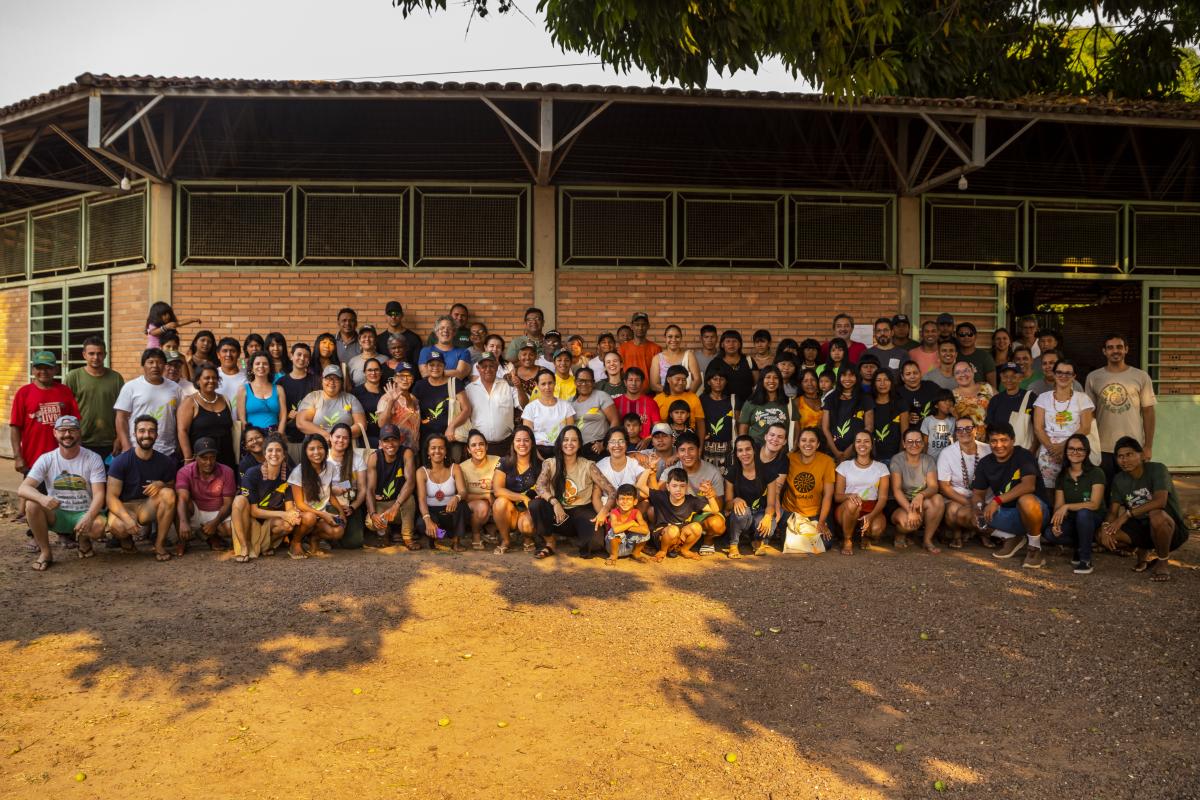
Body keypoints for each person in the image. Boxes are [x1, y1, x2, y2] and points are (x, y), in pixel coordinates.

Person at [18, 416, 106, 570]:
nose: (67, 434)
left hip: (83, 512)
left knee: (98, 526)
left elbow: (99, 494)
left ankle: (83, 540)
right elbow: (23, 489)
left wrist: (89, 516)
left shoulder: (93, 458)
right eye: (62, 430)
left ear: (79, 432)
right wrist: (42, 498)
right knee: (32, 505)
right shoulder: (47, 459)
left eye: (72, 430)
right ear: (55, 433)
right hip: (57, 514)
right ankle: (46, 553)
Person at [1100, 437, 1189, 582]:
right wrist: (1106, 527)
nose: (1124, 460)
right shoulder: (1119, 479)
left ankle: (1162, 561)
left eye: (1129, 454)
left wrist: (1127, 515)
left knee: (1156, 515)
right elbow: (1113, 511)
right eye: (1120, 456)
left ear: (1141, 455)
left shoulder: (1157, 469)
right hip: (1142, 527)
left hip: (1171, 529)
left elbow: (1160, 501)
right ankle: (1142, 549)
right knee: (1102, 536)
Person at [529, 426, 615, 559]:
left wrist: (604, 510)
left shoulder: (588, 465)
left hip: (581, 511)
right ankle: (550, 542)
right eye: (565, 440)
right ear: (560, 443)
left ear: (579, 444)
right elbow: (539, 486)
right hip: (557, 514)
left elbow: (612, 491)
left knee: (595, 545)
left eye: (574, 440)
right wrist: (554, 502)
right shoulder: (550, 463)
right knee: (536, 504)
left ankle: (579, 539)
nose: (569, 443)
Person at [975, 422, 1047, 567]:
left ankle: (1034, 547)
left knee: (1025, 500)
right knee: (967, 513)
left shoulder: (1024, 455)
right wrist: (978, 509)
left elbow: (1028, 485)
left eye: (1004, 440)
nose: (999, 445)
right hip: (1006, 514)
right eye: (994, 441)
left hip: (1035, 514)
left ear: (1013, 440)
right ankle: (1010, 538)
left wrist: (996, 501)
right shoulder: (985, 463)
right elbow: (978, 493)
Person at [105, 414, 178, 559]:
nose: (146, 435)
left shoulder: (165, 461)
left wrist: (162, 484)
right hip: (125, 506)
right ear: (134, 434)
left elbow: (172, 485)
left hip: (147, 506)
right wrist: (126, 519)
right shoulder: (121, 461)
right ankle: (126, 541)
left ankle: (159, 545)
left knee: (169, 494)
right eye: (142, 431)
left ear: (156, 435)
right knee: (119, 527)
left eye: (151, 431)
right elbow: (111, 497)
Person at [1084, 333, 1157, 478]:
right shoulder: (1093, 377)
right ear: (1104, 351)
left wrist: (1148, 446)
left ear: (1126, 349)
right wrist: (1090, 445)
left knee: (1133, 488)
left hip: (1132, 446)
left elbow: (1148, 412)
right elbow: (1089, 414)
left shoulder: (1141, 376)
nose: (1115, 351)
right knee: (1105, 487)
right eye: (1110, 348)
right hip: (1103, 447)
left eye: (1119, 347)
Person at [1039, 433, 1105, 575]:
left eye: (1080, 449)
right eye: (1071, 448)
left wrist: (1067, 506)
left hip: (1092, 519)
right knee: (1049, 533)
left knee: (1083, 513)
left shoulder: (1096, 472)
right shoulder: (1062, 476)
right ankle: (1079, 547)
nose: (1075, 452)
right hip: (1072, 519)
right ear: (1066, 451)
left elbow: (1094, 504)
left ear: (1087, 452)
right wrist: (1057, 524)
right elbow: (1059, 506)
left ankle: (1085, 559)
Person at [10, 350, 80, 476]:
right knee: (33, 489)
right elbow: (15, 427)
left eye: (48, 368)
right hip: (33, 459)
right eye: (39, 368)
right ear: (33, 370)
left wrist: (77, 452)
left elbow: (76, 424)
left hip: (63, 458)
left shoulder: (65, 391)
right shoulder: (24, 393)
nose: (43, 371)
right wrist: (17, 457)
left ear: (56, 370)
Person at [231, 434, 299, 562]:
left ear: (284, 454)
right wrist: (283, 514)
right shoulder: (252, 473)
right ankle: (244, 546)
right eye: (270, 450)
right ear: (265, 454)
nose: (274, 454)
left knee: (288, 525)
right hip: (249, 521)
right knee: (239, 500)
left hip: (270, 521)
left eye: (278, 450)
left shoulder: (288, 475)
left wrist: (293, 515)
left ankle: (264, 546)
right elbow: (253, 511)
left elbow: (289, 507)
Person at [1032, 358, 1095, 490]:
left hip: (1075, 451)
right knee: (1049, 491)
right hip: (1048, 452)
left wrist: (1063, 447)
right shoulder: (1043, 398)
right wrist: (1052, 450)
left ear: (1074, 376)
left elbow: (1085, 428)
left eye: (1068, 373)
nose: (1063, 376)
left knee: (1075, 489)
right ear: (1054, 374)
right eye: (1059, 372)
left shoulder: (1083, 398)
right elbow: (1038, 428)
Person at [659, 432, 726, 554]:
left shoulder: (712, 472)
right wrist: (651, 471)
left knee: (717, 524)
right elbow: (657, 494)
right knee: (652, 511)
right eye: (682, 450)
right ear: (677, 453)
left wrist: (711, 494)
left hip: (702, 515)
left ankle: (708, 540)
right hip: (677, 515)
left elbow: (720, 506)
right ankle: (669, 539)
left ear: (699, 450)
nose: (687, 454)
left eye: (691, 449)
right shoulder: (670, 471)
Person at [937, 415, 994, 549]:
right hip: (959, 497)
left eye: (968, 428)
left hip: (985, 496)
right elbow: (944, 487)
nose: (964, 432)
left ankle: (983, 534)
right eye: (960, 429)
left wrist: (979, 502)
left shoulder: (988, 449)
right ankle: (957, 535)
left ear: (976, 430)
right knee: (952, 511)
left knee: (985, 511)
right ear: (956, 433)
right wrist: (968, 503)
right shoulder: (947, 453)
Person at [63, 337, 123, 461]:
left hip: (110, 443)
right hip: (80, 441)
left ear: (105, 355)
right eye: (91, 353)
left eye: (99, 353)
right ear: (84, 355)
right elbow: (65, 411)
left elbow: (122, 412)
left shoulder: (116, 378)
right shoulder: (73, 377)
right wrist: (71, 436)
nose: (96, 357)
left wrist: (119, 438)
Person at [174, 436, 236, 555]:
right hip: (196, 510)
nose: (209, 462)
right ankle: (182, 541)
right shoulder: (184, 472)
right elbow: (182, 499)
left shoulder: (227, 471)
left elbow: (228, 503)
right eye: (204, 458)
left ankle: (212, 537)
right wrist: (183, 522)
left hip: (218, 511)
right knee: (178, 501)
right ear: (195, 457)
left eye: (212, 457)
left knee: (229, 531)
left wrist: (215, 522)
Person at [114, 348, 179, 459]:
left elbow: (179, 419)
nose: (155, 366)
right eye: (150, 362)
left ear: (165, 365)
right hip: (137, 449)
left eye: (159, 362)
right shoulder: (131, 387)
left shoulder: (175, 388)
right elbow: (121, 418)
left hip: (167, 450)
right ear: (143, 365)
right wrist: (126, 446)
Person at [778, 427, 836, 550]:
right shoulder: (789, 458)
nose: (807, 444)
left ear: (818, 444)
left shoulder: (827, 461)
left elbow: (828, 495)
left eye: (812, 441)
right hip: (791, 512)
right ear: (798, 443)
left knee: (826, 543)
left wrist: (821, 522)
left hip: (815, 513)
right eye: (803, 440)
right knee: (786, 543)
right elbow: (777, 486)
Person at [287, 434, 344, 557]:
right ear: (305, 452)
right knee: (310, 517)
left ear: (326, 449)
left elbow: (329, 493)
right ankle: (295, 542)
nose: (316, 452)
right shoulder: (298, 472)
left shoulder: (330, 467)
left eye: (320, 447)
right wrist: (323, 514)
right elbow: (300, 504)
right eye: (311, 449)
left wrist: (341, 512)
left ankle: (314, 539)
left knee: (338, 531)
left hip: (320, 514)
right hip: (302, 515)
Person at [833, 431, 890, 554]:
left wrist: (872, 515)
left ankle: (864, 536)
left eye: (866, 441)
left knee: (876, 530)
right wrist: (849, 496)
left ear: (872, 444)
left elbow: (883, 498)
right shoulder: (845, 466)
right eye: (858, 441)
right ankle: (847, 540)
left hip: (871, 508)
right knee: (854, 504)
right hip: (847, 509)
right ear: (854, 445)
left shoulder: (881, 468)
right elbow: (837, 497)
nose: (862, 444)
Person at [726, 434, 782, 557]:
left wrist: (768, 516)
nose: (744, 453)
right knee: (741, 512)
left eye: (748, 449)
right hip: (741, 516)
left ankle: (757, 540)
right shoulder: (732, 472)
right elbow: (727, 505)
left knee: (769, 524)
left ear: (754, 450)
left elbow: (771, 504)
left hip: (760, 513)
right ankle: (733, 544)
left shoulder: (767, 471)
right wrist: (735, 500)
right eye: (740, 450)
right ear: (736, 454)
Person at [889, 428, 945, 553]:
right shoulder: (897, 460)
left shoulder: (928, 460)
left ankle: (927, 540)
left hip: (920, 502)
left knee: (938, 499)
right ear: (904, 444)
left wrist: (921, 495)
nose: (914, 445)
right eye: (910, 441)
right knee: (907, 524)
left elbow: (933, 487)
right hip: (901, 504)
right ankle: (900, 533)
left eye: (918, 441)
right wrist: (910, 510)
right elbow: (897, 490)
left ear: (923, 443)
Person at [648, 467, 720, 562]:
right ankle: (663, 551)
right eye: (674, 486)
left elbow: (715, 510)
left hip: (680, 539)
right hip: (663, 537)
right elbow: (640, 486)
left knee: (696, 527)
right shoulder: (661, 496)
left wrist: (709, 495)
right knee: (673, 530)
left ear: (687, 487)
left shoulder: (691, 500)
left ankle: (684, 550)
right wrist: (649, 470)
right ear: (668, 486)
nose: (678, 489)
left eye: (682, 486)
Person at [365, 424, 418, 549]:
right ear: (380, 443)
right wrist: (373, 514)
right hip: (382, 504)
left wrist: (396, 505)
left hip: (399, 504)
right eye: (386, 440)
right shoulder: (374, 457)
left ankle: (407, 537)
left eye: (394, 439)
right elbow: (370, 489)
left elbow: (410, 482)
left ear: (400, 440)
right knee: (370, 522)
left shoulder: (406, 453)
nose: (390, 444)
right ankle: (385, 533)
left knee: (409, 499)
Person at [177, 363, 236, 472]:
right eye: (207, 378)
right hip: (202, 459)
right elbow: (182, 431)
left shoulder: (225, 399)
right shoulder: (190, 402)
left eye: (214, 378)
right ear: (198, 381)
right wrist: (188, 457)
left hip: (226, 457)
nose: (211, 381)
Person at [414, 433, 468, 551]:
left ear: (446, 451)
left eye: (441, 448)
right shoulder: (421, 472)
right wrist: (428, 520)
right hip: (432, 512)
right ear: (428, 451)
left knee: (463, 506)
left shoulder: (455, 468)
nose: (437, 451)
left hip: (450, 512)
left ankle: (455, 541)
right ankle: (442, 537)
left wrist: (457, 497)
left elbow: (463, 491)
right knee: (421, 524)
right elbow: (421, 499)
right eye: (433, 448)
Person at [492, 425, 541, 553]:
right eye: (518, 440)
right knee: (499, 502)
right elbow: (497, 490)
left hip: (529, 511)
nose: (522, 444)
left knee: (527, 525)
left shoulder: (540, 465)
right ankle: (506, 540)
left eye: (526, 440)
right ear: (513, 443)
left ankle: (528, 538)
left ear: (532, 443)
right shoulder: (504, 462)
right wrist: (522, 497)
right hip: (510, 512)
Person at [296, 366, 368, 445]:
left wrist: (339, 437)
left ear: (341, 382)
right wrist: (325, 435)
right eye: (328, 378)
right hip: (317, 446)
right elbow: (301, 423)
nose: (332, 382)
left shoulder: (350, 399)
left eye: (336, 379)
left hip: (344, 446)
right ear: (322, 380)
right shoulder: (313, 397)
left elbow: (361, 425)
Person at [464, 352, 517, 455]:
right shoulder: (469, 389)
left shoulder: (507, 385)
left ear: (497, 367)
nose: (488, 369)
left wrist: (519, 388)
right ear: (478, 368)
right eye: (484, 366)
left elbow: (524, 405)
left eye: (491, 366)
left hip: (506, 444)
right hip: (480, 448)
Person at [327, 422, 368, 549]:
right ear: (330, 437)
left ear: (349, 440)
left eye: (345, 438)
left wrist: (353, 507)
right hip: (327, 503)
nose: (341, 440)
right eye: (337, 437)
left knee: (354, 543)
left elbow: (362, 488)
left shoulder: (357, 459)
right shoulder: (323, 456)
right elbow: (314, 486)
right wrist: (332, 490)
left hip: (349, 503)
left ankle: (337, 536)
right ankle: (322, 537)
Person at [278, 342, 320, 463]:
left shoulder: (316, 381)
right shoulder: (281, 382)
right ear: (291, 356)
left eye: (306, 356)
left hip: (311, 435)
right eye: (299, 354)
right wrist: (287, 416)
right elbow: (276, 409)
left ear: (309, 360)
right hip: (288, 435)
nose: (302, 358)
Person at [822, 366, 874, 463]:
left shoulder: (865, 398)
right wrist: (836, 453)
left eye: (851, 375)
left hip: (858, 452)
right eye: (844, 375)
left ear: (857, 377)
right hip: (832, 453)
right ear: (839, 377)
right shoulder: (830, 398)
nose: (847, 379)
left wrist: (848, 452)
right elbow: (825, 428)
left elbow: (869, 427)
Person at [459, 429, 500, 550]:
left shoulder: (497, 461)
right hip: (474, 505)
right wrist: (485, 495)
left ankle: (493, 530)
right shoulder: (462, 467)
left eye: (481, 444)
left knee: (501, 503)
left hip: (496, 500)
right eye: (473, 445)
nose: (478, 448)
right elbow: (463, 496)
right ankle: (475, 534)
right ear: (468, 449)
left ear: (486, 446)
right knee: (482, 507)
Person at [522, 369, 576, 457]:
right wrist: (537, 455)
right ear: (537, 385)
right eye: (543, 384)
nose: (547, 387)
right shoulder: (530, 408)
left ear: (555, 383)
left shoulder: (566, 406)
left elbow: (571, 433)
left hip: (561, 449)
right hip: (538, 449)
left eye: (550, 383)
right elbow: (527, 435)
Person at [571, 367, 620, 460]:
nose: (584, 384)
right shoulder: (571, 402)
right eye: (580, 381)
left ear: (593, 383)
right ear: (575, 382)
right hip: (578, 449)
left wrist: (605, 444)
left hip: (597, 446)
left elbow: (615, 421)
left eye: (588, 381)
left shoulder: (601, 396)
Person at [596, 427, 650, 505]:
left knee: (645, 502)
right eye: (612, 442)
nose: (617, 445)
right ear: (607, 446)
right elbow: (596, 496)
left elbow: (643, 491)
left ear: (627, 445)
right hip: (608, 507)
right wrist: (603, 512)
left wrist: (626, 505)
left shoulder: (636, 463)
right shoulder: (600, 466)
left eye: (621, 441)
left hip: (631, 506)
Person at [237, 353, 286, 436]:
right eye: (257, 363)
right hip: (252, 436)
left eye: (265, 364)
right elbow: (241, 418)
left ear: (270, 368)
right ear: (251, 368)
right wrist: (250, 436)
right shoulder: (244, 389)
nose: (261, 366)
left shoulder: (279, 389)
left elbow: (283, 416)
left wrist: (279, 435)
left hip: (274, 435)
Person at [738, 365, 788, 446]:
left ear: (780, 381)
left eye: (775, 378)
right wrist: (745, 446)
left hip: (780, 449)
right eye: (768, 377)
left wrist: (793, 447)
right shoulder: (751, 402)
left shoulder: (788, 403)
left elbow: (795, 427)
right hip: (756, 448)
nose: (771, 381)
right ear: (762, 380)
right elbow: (743, 429)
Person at [604, 484, 651, 564]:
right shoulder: (614, 513)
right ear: (617, 501)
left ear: (635, 501)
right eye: (622, 499)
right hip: (613, 547)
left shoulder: (636, 512)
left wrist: (624, 527)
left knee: (646, 533)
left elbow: (646, 530)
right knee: (614, 532)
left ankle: (636, 553)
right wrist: (632, 523)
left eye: (629, 499)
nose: (625, 502)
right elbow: (615, 530)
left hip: (629, 546)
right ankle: (613, 556)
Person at [984, 361, 1035, 435]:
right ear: (1001, 378)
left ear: (1020, 378)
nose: (1008, 380)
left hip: (1024, 442)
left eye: (1013, 377)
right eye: (1005, 376)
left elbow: (1037, 425)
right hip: (1000, 441)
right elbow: (989, 425)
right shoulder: (995, 400)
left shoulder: (1030, 397)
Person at [648, 324, 700, 394]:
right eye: (670, 336)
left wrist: (686, 397)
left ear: (681, 338)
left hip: (685, 399)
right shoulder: (657, 358)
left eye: (677, 337)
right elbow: (654, 385)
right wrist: (673, 394)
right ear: (665, 338)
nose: (673, 340)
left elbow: (697, 380)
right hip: (665, 398)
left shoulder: (689, 355)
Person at [378, 366, 421, 450]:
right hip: (393, 449)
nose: (405, 379)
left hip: (412, 449)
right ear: (395, 378)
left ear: (412, 379)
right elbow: (381, 424)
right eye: (401, 376)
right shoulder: (387, 398)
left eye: (408, 376)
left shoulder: (414, 399)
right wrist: (391, 402)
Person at [952, 360, 996, 441]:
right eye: (957, 372)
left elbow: (1001, 406)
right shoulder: (952, 395)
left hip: (991, 439)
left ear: (973, 371)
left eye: (966, 370)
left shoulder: (987, 387)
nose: (963, 374)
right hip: (965, 441)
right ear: (954, 376)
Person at [614, 367, 660, 441]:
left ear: (642, 383)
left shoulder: (651, 403)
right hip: (621, 444)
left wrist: (648, 439)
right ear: (625, 382)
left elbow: (658, 428)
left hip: (646, 445)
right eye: (630, 380)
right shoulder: (615, 403)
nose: (633, 383)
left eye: (637, 380)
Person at [870, 369, 905, 462]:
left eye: (886, 380)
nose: (883, 383)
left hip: (895, 457)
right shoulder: (869, 403)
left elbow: (904, 433)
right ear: (874, 383)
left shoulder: (901, 403)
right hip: (873, 458)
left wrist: (899, 458)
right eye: (878, 380)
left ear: (892, 382)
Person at [351, 358, 388, 447]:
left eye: (376, 370)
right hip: (364, 439)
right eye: (370, 370)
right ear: (364, 372)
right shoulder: (355, 393)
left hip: (385, 438)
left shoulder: (387, 392)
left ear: (381, 372)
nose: (373, 373)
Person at [617, 311, 662, 381]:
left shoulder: (656, 349)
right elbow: (619, 372)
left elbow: (659, 373)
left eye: (643, 325)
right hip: (628, 388)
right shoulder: (622, 349)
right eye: (637, 325)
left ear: (648, 326)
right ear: (632, 326)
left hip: (650, 388)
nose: (640, 328)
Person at [379, 301, 424, 368]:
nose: (393, 317)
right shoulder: (379, 339)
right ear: (385, 316)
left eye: (396, 314)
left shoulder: (414, 338)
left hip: (408, 373)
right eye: (390, 314)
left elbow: (417, 365)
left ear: (402, 315)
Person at [897, 360, 940, 430]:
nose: (912, 376)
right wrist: (905, 418)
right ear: (902, 377)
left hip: (933, 429)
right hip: (911, 433)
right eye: (908, 374)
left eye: (915, 373)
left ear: (920, 374)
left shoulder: (931, 386)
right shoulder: (897, 393)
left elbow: (945, 398)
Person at [717, 330, 756, 404]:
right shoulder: (716, 362)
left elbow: (757, 384)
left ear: (740, 344)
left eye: (734, 341)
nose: (731, 344)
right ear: (722, 344)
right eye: (728, 341)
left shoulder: (749, 360)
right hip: (724, 405)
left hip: (747, 404)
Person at [212, 337, 247, 414]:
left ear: (238, 354)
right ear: (218, 354)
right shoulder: (212, 375)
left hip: (241, 420)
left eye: (233, 351)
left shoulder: (247, 377)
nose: (228, 354)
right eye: (225, 351)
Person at [792, 368, 824, 448]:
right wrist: (795, 446)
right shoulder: (796, 402)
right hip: (804, 445)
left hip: (824, 444)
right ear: (801, 384)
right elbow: (795, 429)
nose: (810, 383)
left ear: (818, 382)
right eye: (805, 381)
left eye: (813, 380)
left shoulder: (825, 400)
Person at [920, 390, 956, 459]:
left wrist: (956, 415)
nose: (948, 403)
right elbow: (925, 442)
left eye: (950, 400)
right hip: (931, 458)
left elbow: (953, 441)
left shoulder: (953, 420)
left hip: (947, 458)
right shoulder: (928, 420)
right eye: (944, 401)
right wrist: (924, 459)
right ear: (936, 405)